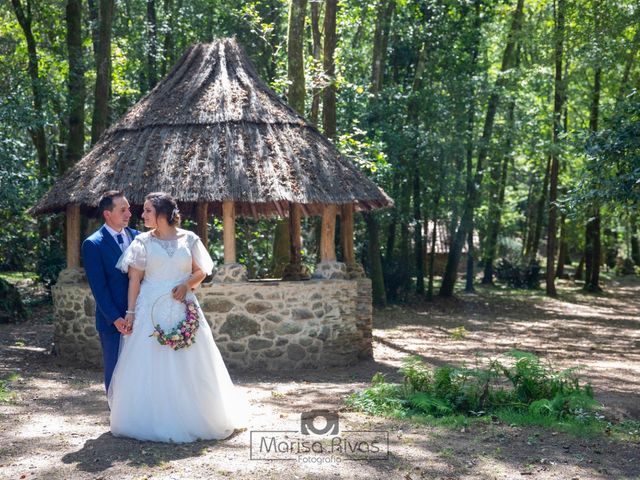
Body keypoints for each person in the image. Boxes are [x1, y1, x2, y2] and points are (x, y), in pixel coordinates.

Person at [108, 192, 247, 442]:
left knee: (191, 359)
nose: (142, 215)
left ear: (162, 213)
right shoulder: (141, 241)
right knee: (150, 361)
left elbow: (201, 271)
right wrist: (130, 312)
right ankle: (151, 417)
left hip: (184, 305)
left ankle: (196, 415)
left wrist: (186, 285)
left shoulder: (190, 239)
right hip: (150, 306)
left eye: (148, 210)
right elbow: (135, 280)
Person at [82, 191, 139, 393]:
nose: (129, 214)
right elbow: (99, 288)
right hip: (112, 322)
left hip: (140, 316)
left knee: (141, 370)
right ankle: (116, 416)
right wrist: (116, 318)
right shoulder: (93, 244)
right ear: (107, 214)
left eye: (129, 209)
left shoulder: (138, 237)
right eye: (123, 210)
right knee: (115, 371)